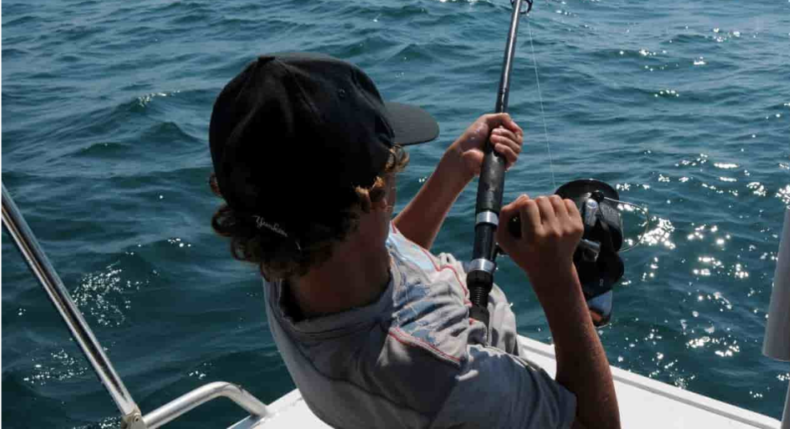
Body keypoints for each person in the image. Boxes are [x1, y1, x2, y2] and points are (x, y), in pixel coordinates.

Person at [208, 52, 620, 429]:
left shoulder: (284, 248)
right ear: (371, 200)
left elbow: (380, 249)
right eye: (391, 167)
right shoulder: (444, 374)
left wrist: (455, 168)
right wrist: (556, 279)